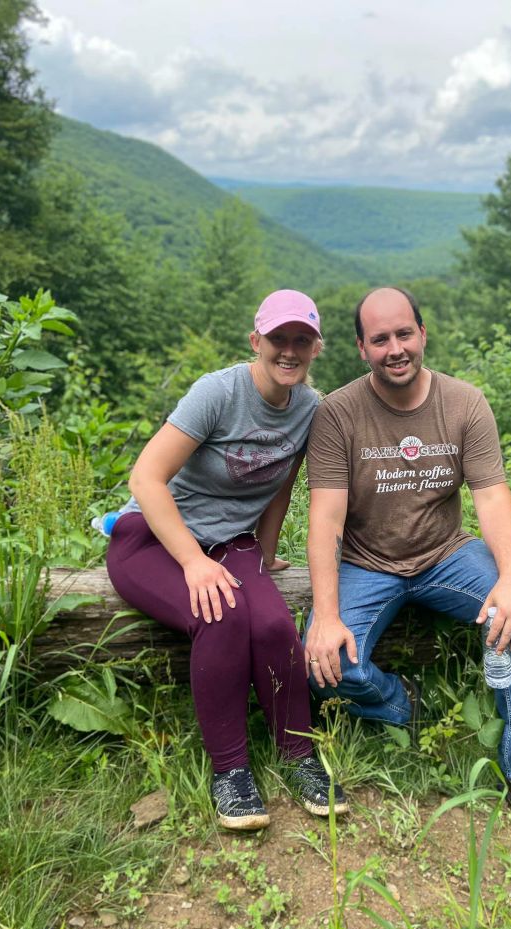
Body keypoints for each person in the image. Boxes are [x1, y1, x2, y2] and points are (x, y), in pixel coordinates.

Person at [303, 286, 511, 855]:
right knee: (323, 662)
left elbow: (491, 495)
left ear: (422, 333)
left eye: (404, 334)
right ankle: (402, 703)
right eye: (380, 339)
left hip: (447, 555)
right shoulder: (338, 413)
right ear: (361, 348)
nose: (395, 348)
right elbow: (326, 519)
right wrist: (328, 614)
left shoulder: (464, 403)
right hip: (366, 562)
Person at [106, 289, 348, 830]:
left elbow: (281, 485)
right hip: (152, 538)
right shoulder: (217, 392)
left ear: (316, 348)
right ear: (256, 341)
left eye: (302, 340)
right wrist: (193, 562)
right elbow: (145, 479)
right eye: (278, 338)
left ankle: (299, 754)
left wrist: (264, 553)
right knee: (221, 613)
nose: (289, 350)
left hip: (230, 543)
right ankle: (231, 771)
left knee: (274, 624)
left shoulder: (309, 408)